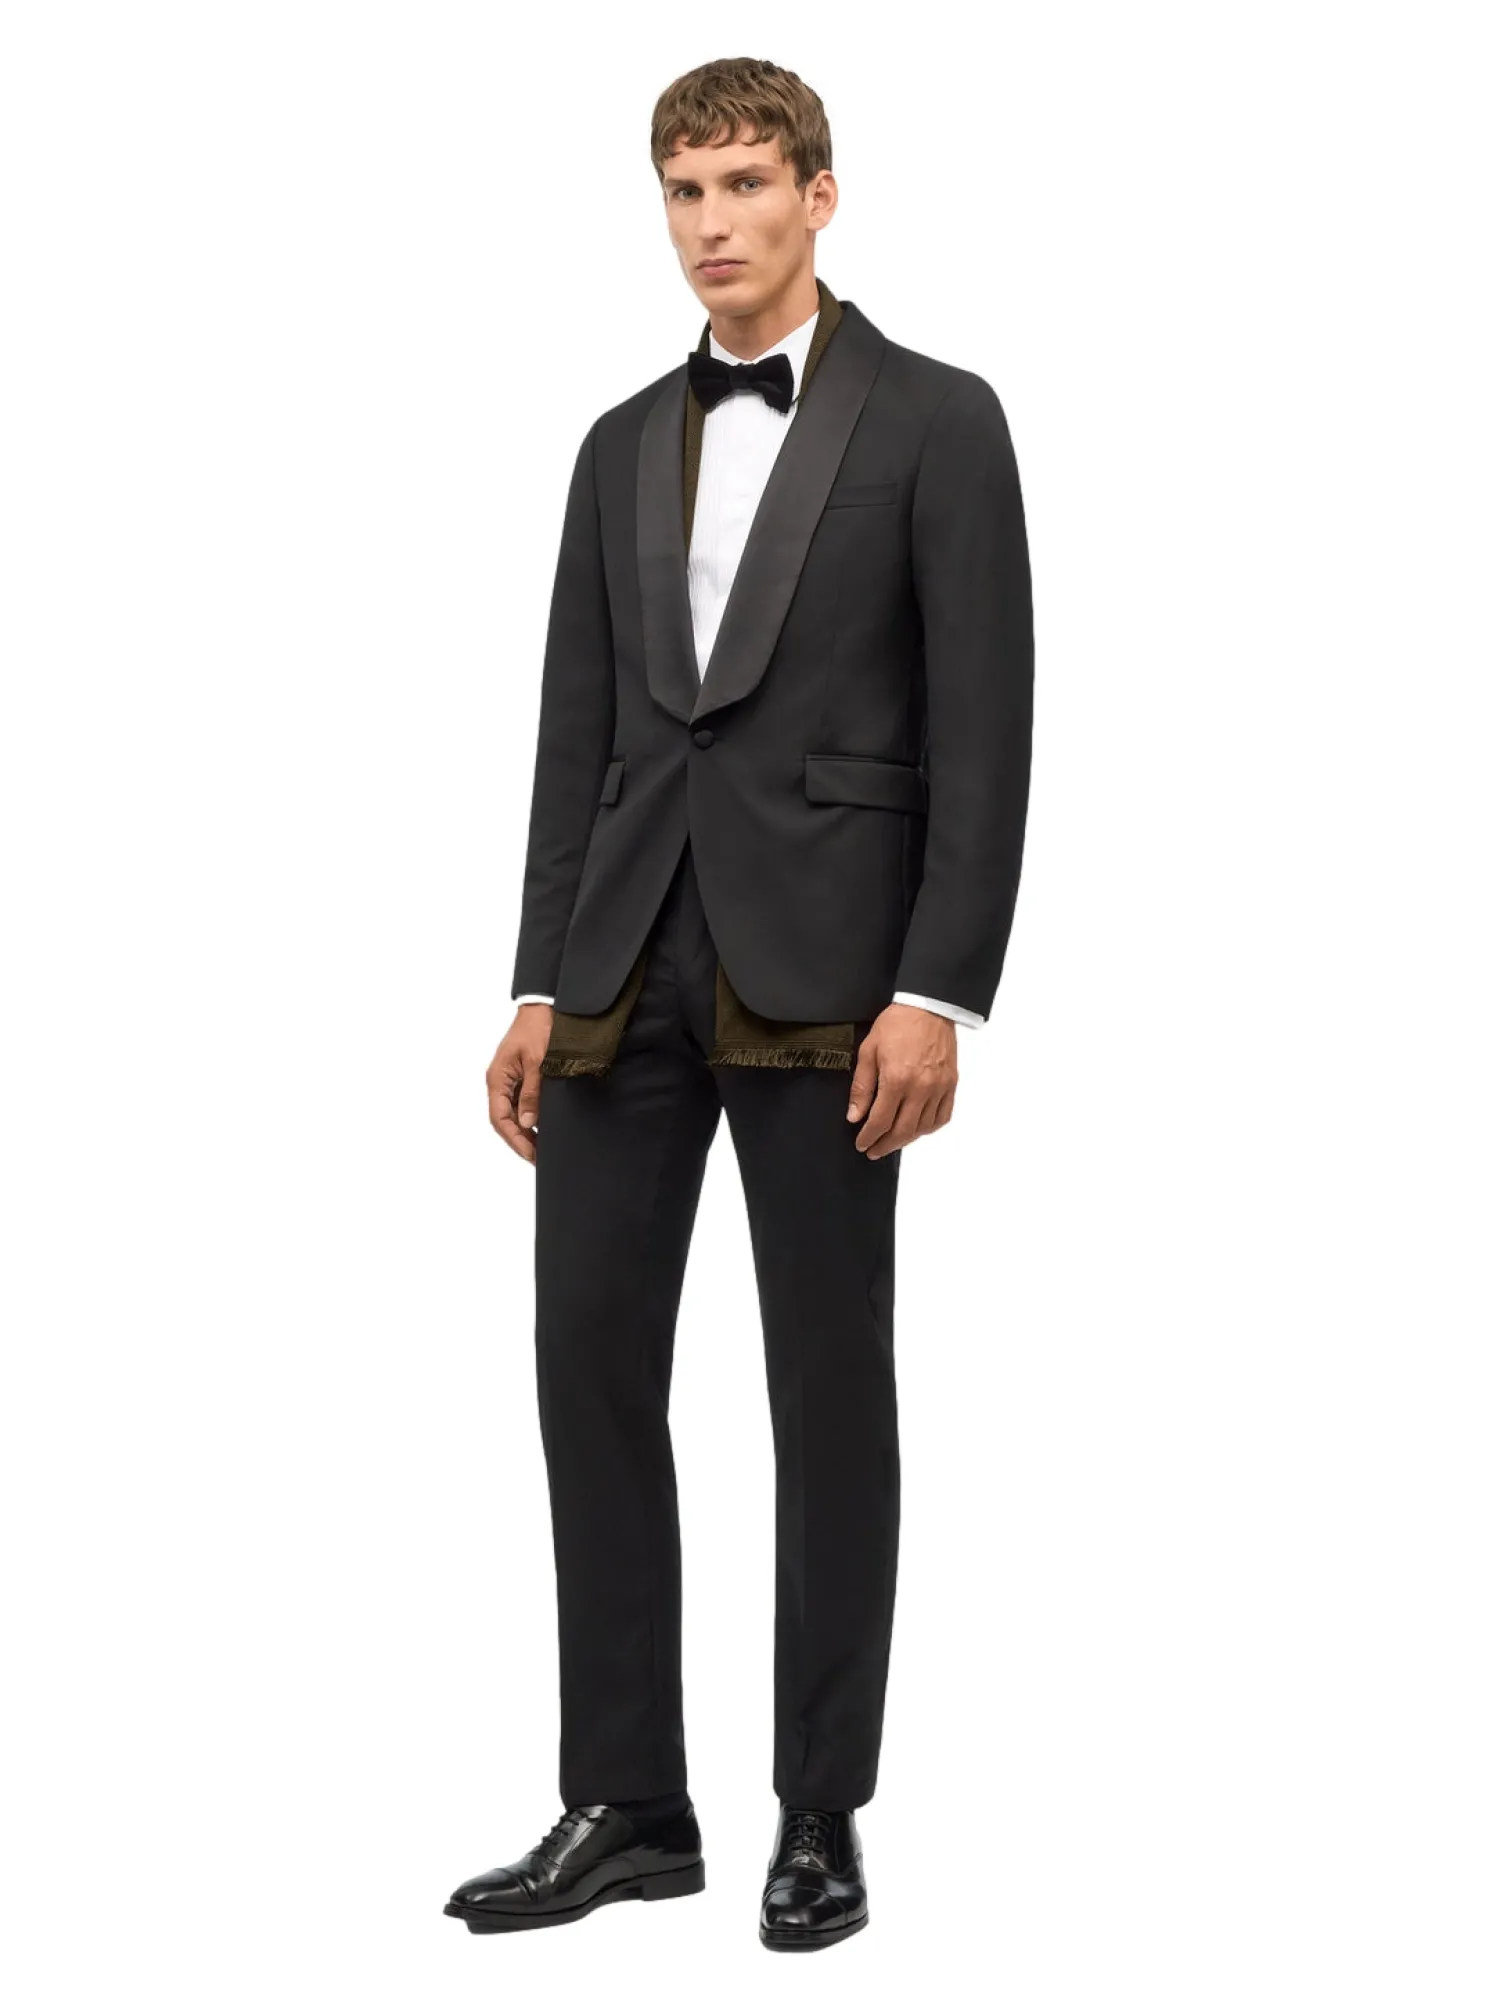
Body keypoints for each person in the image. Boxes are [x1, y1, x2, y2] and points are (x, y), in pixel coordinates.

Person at [445, 54, 1033, 1952]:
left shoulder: (939, 420)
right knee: (587, 1366)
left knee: (825, 1390)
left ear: (820, 196)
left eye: (746, 185)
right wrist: (537, 975)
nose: (713, 225)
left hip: (833, 974)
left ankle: (820, 1813)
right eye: (684, 192)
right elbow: (579, 731)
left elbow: (988, 726)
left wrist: (939, 987)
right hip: (623, 963)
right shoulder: (619, 441)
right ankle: (629, 1800)